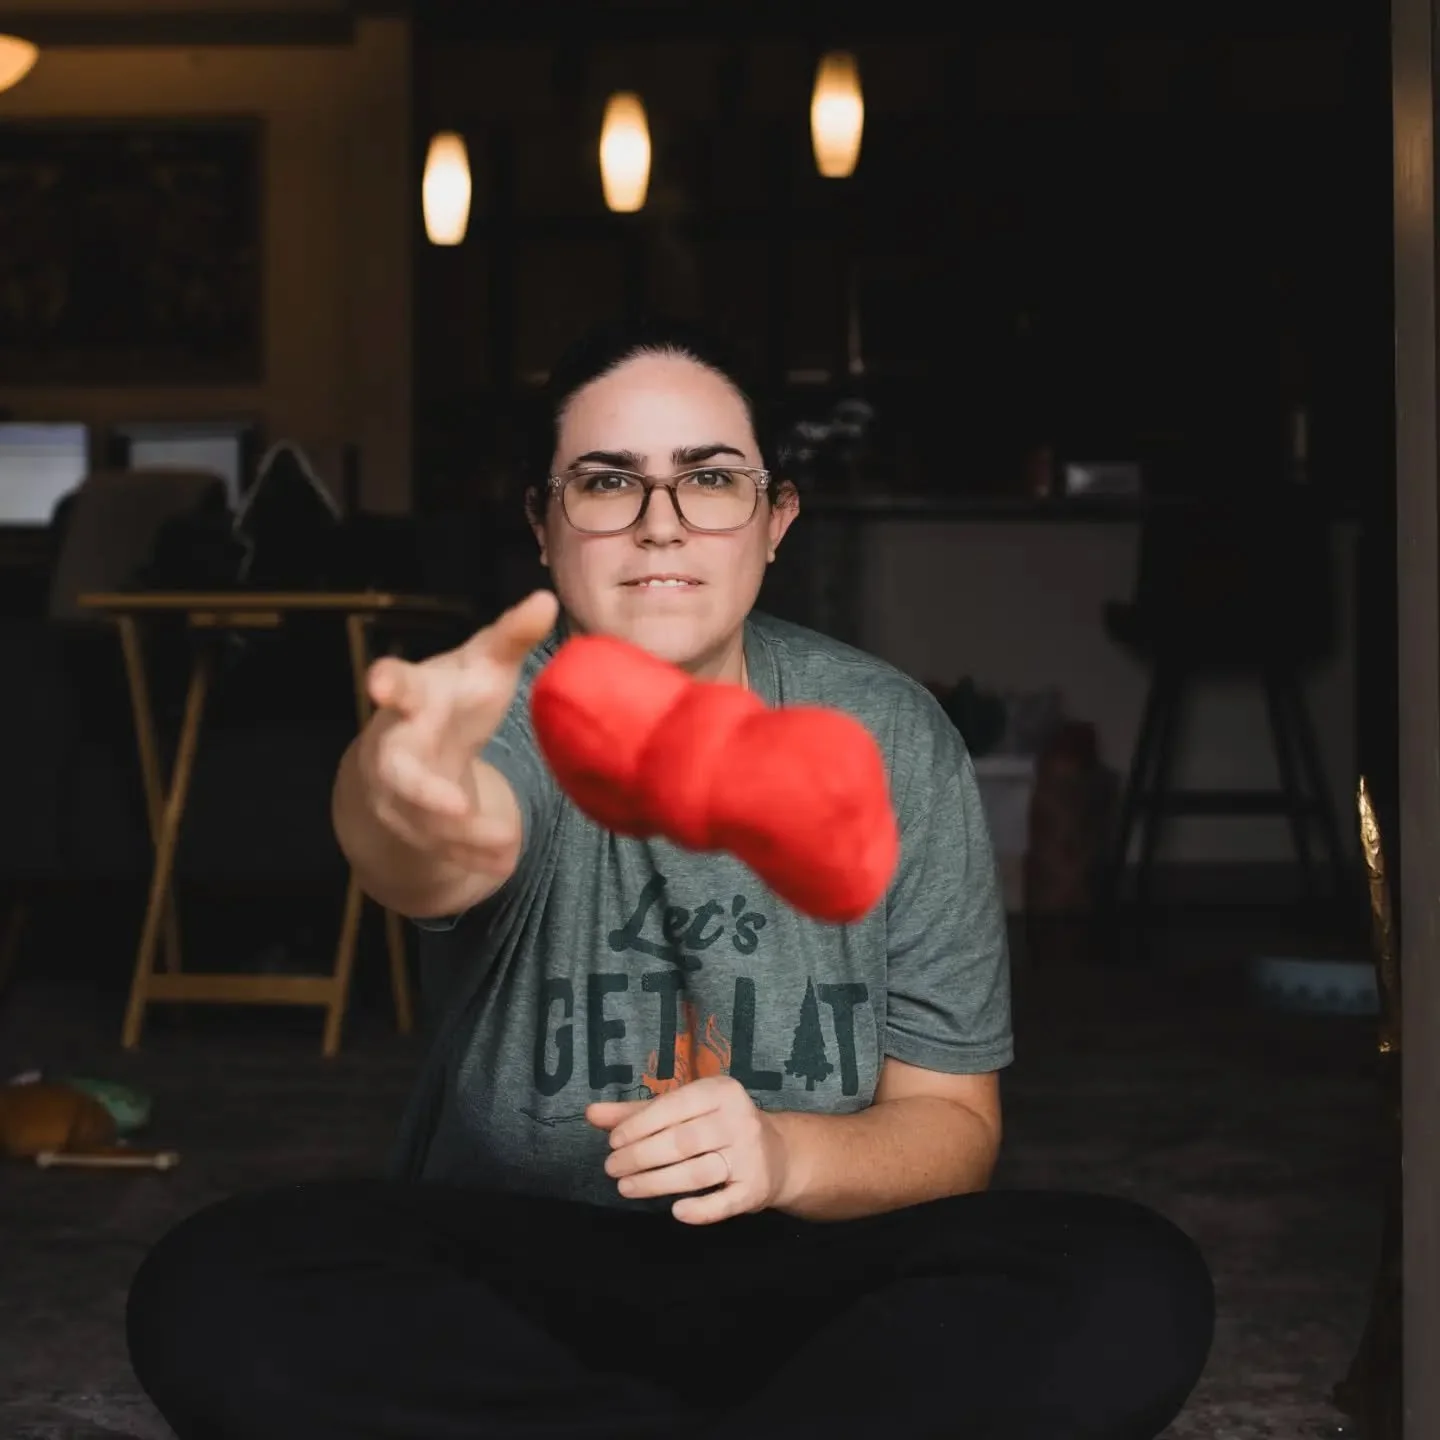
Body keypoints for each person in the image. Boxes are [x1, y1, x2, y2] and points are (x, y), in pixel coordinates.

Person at [126, 317, 1214, 1439]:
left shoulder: (891, 733)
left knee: (1131, 1283)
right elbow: (423, 848)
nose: (660, 525)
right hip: (520, 1272)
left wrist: (787, 1154)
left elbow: (950, 1128)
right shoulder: (501, 713)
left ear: (776, 518)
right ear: (545, 526)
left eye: (709, 480)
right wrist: (408, 790)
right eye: (607, 483)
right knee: (210, 1291)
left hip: (814, 1273)